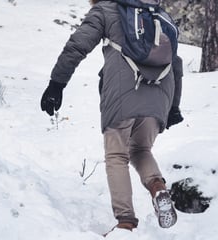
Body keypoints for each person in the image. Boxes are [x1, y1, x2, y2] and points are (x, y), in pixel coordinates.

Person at [40, 0, 184, 235]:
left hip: (122, 91)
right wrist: (174, 107)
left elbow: (78, 45)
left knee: (117, 155)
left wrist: (57, 83)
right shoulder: (158, 13)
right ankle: (157, 187)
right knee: (141, 150)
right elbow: (175, 62)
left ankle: (126, 222)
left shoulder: (106, 9)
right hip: (160, 94)